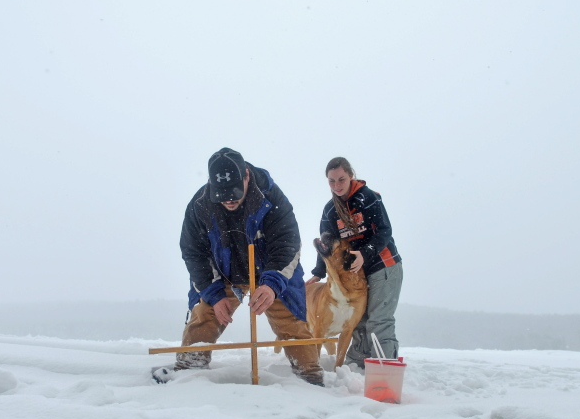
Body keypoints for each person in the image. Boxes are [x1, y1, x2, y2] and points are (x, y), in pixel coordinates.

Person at [160, 147, 324, 385]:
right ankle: (188, 372)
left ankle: (310, 377)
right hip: (225, 274)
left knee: (292, 323)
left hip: (270, 270)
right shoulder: (199, 205)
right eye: (223, 195)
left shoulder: (271, 197)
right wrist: (214, 296)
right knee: (205, 316)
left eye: (234, 192)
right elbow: (194, 253)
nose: (229, 199)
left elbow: (288, 244)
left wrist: (271, 285)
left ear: (247, 175)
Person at [307, 157, 403, 368]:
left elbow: (385, 231)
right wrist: (319, 272)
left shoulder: (367, 198)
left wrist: (365, 254)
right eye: (332, 181)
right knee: (358, 323)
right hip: (357, 272)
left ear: (351, 176)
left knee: (379, 321)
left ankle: (385, 370)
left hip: (383, 266)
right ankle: (356, 370)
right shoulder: (330, 210)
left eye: (341, 179)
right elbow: (327, 243)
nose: (337, 185)